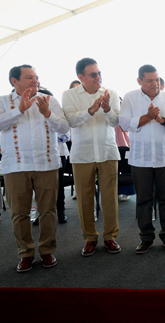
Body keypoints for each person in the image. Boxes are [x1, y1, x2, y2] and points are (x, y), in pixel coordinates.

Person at [0, 64, 69, 272]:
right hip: (15, 165)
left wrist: (48, 114)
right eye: (29, 77)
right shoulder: (4, 102)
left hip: (46, 163)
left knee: (48, 210)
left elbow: (65, 128)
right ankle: (26, 253)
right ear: (15, 81)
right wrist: (19, 109)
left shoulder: (49, 100)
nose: (35, 81)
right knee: (19, 213)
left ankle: (47, 250)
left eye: (36, 77)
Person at [119, 65, 165, 254]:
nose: (155, 84)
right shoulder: (130, 97)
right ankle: (146, 238)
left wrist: (162, 120)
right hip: (140, 159)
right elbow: (124, 123)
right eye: (150, 80)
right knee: (144, 200)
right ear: (139, 81)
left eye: (157, 80)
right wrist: (147, 117)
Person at [62, 57, 122, 256]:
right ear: (81, 77)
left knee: (110, 198)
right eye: (93, 74)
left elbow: (115, 122)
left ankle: (110, 237)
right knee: (84, 199)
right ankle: (89, 238)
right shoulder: (69, 95)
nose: (98, 77)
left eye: (99, 73)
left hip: (107, 152)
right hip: (82, 154)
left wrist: (106, 109)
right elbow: (71, 121)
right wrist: (90, 111)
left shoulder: (110, 93)